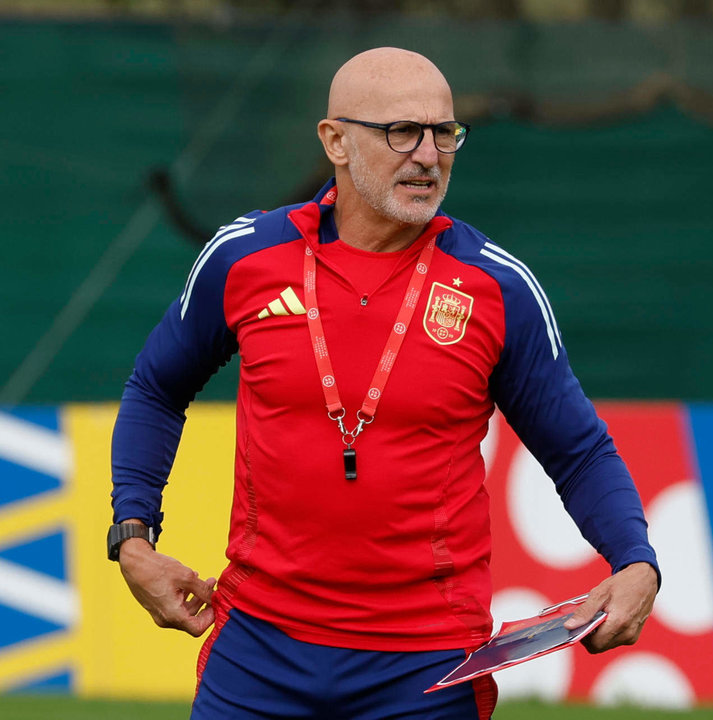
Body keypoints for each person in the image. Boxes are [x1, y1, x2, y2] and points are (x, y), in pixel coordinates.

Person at [109, 47, 660, 719]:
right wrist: (133, 536)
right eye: (402, 131)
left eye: (444, 133)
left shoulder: (497, 288)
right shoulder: (244, 258)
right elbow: (155, 389)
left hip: (426, 669)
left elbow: (578, 450)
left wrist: (634, 561)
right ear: (334, 141)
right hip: (257, 650)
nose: (428, 155)